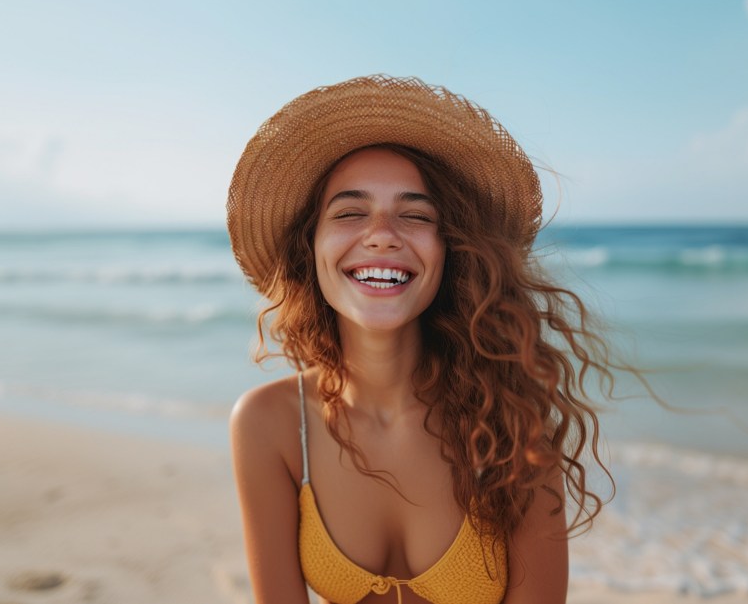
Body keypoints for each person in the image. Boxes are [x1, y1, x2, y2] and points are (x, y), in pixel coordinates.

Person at [227, 75, 643, 604]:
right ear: (310, 248)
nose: (381, 233)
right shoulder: (271, 425)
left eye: (415, 215)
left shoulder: (512, 422)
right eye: (350, 212)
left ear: (452, 252)